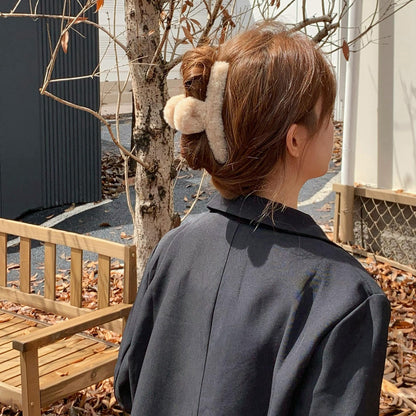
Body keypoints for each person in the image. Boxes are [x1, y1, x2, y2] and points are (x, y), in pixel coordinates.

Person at [114, 22, 390, 416]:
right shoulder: (345, 296)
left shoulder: (173, 248)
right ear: (295, 140)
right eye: (329, 114)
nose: (334, 126)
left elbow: (129, 385)